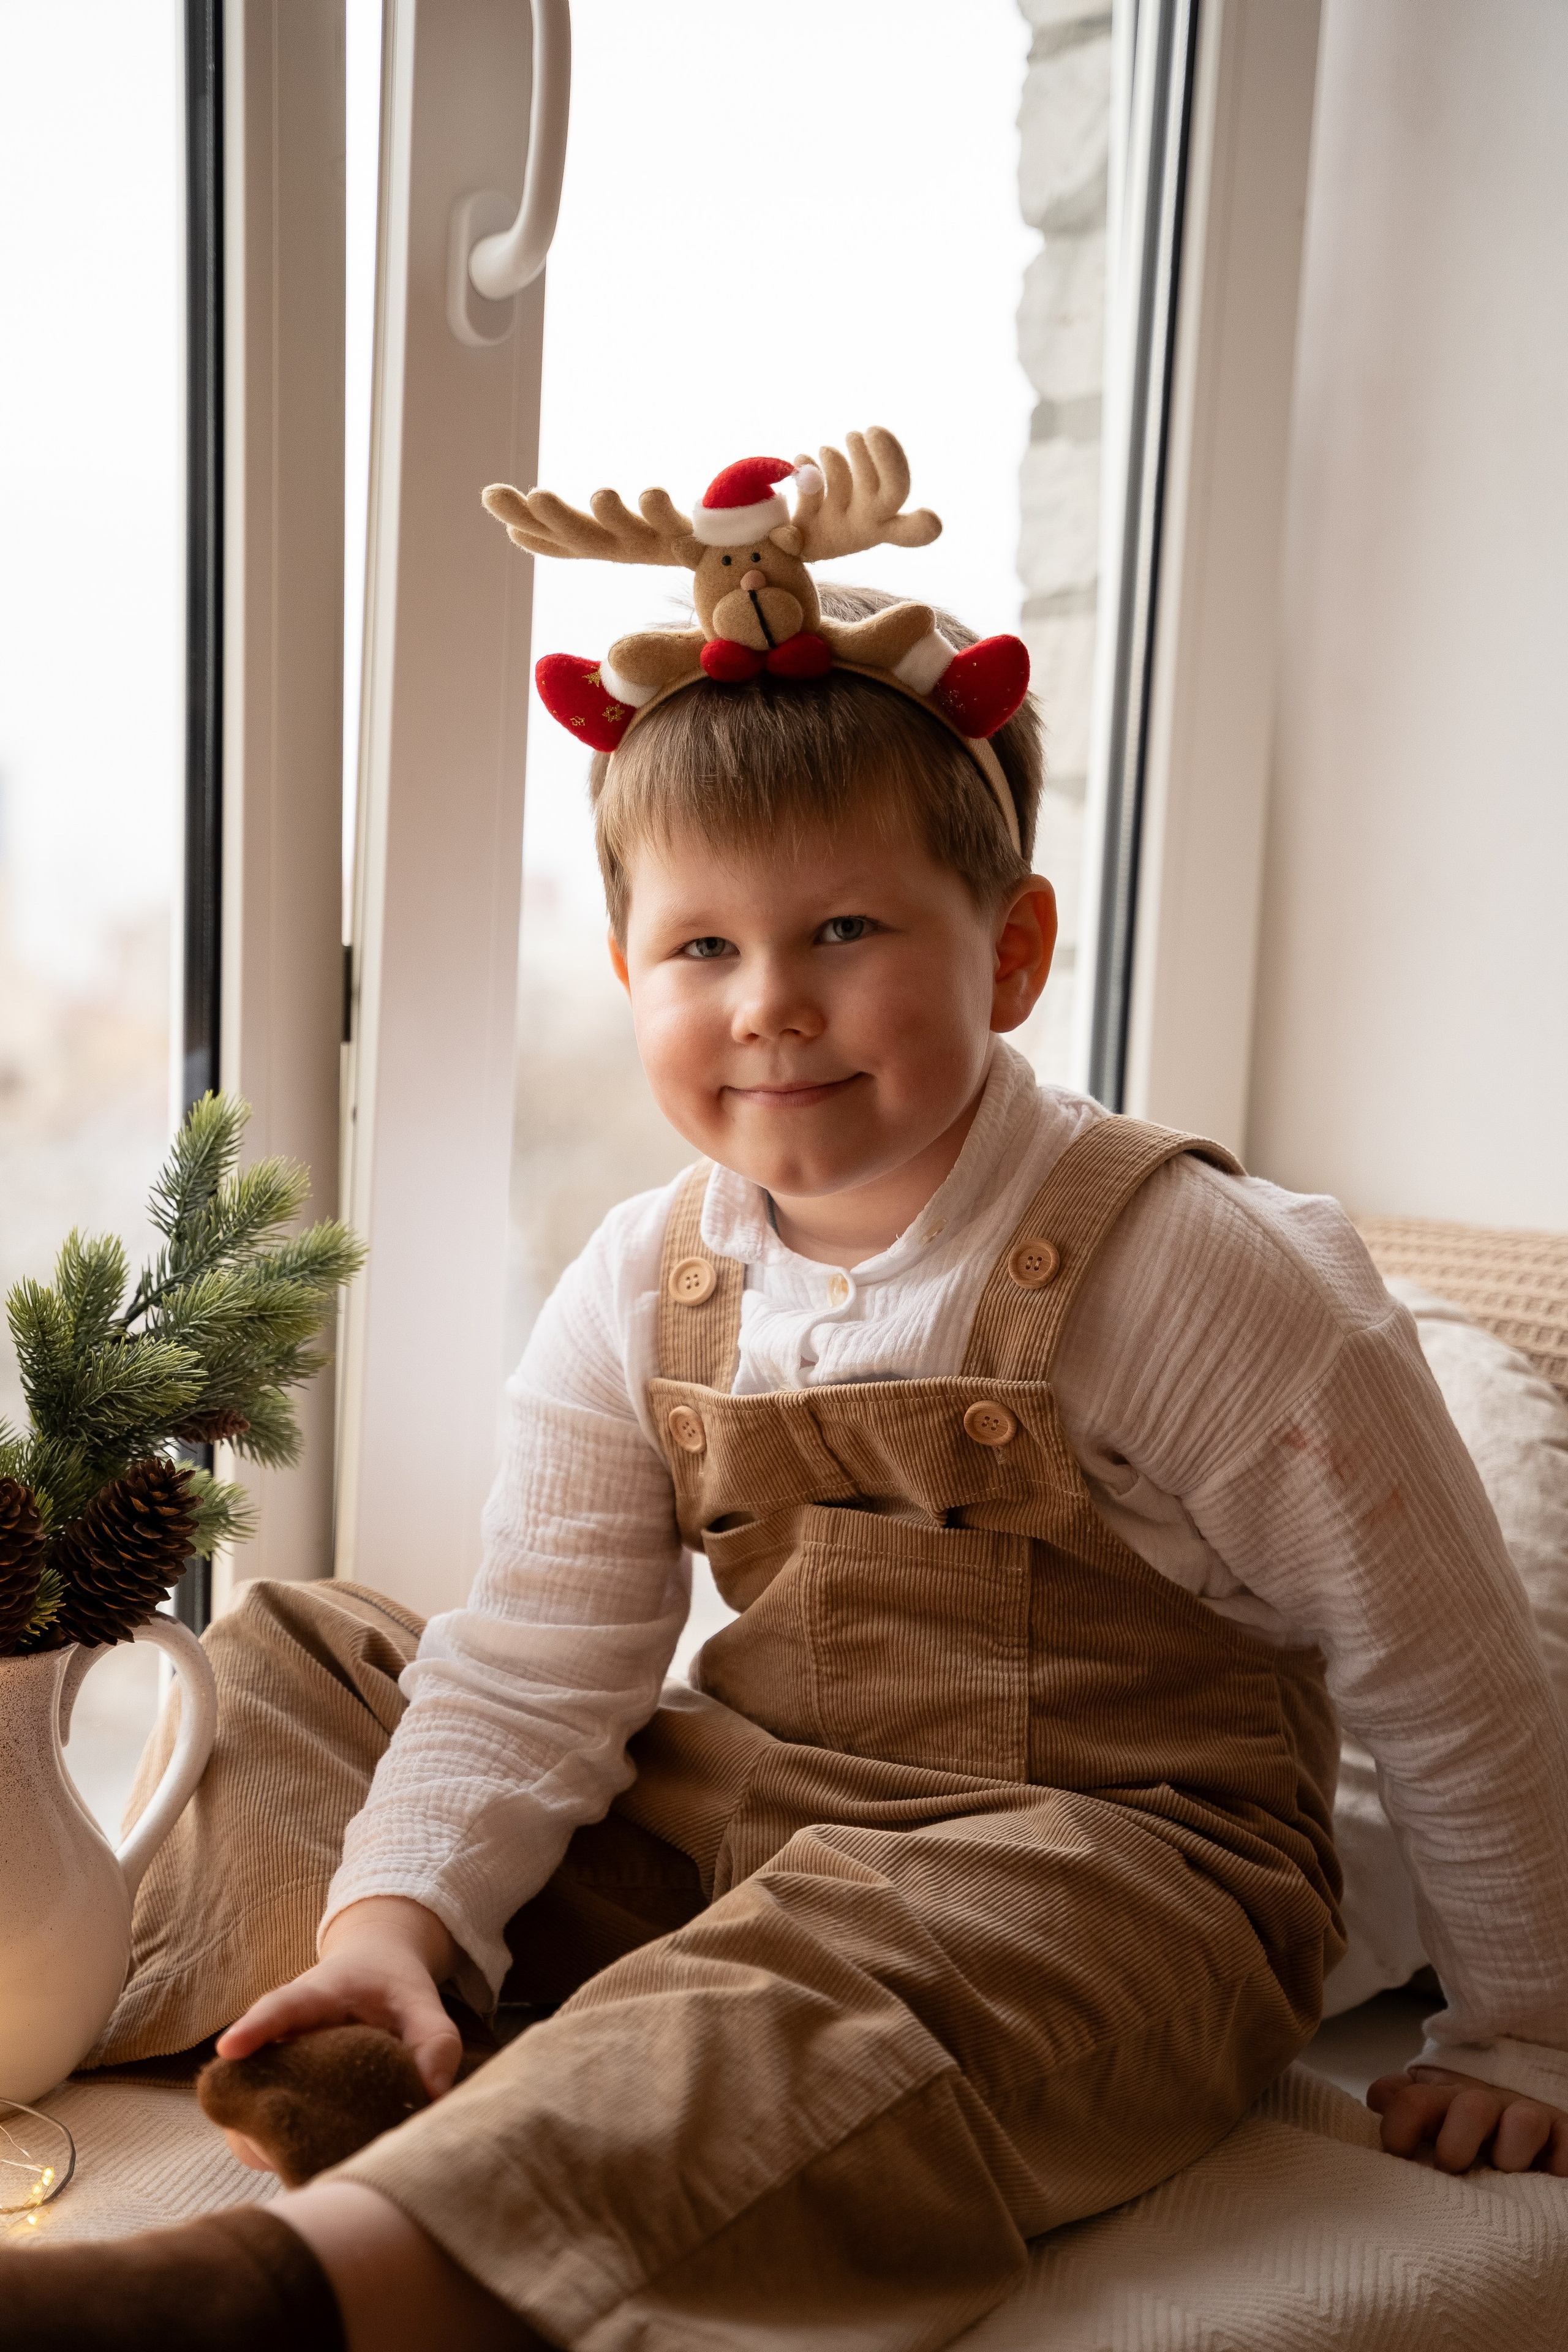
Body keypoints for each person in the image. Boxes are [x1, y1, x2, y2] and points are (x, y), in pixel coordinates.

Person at [9, 533, 1567, 2350]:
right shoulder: (646, 1275)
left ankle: (308, 2290)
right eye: (702, 945)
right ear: (627, 970)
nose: (769, 1000)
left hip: (1105, 1872)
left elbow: (1444, 1667)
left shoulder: (1188, 1269)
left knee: (833, 1972)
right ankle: (336, 2021)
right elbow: (533, 1666)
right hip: (758, 1795)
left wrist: (1524, 2030)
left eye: (843, 929)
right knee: (308, 1658)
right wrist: (400, 1913)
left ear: (1012, 953)